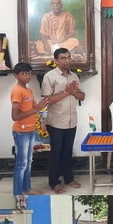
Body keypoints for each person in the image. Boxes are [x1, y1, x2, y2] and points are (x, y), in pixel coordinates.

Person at [40, 48, 85, 193]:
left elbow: (82, 96)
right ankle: (54, 182)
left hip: (72, 120)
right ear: (56, 61)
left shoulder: (74, 77)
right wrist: (67, 92)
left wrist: (74, 93)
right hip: (56, 121)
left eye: (68, 57)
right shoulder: (49, 76)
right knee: (56, 153)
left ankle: (69, 178)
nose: (67, 60)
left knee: (67, 152)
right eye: (63, 58)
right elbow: (47, 100)